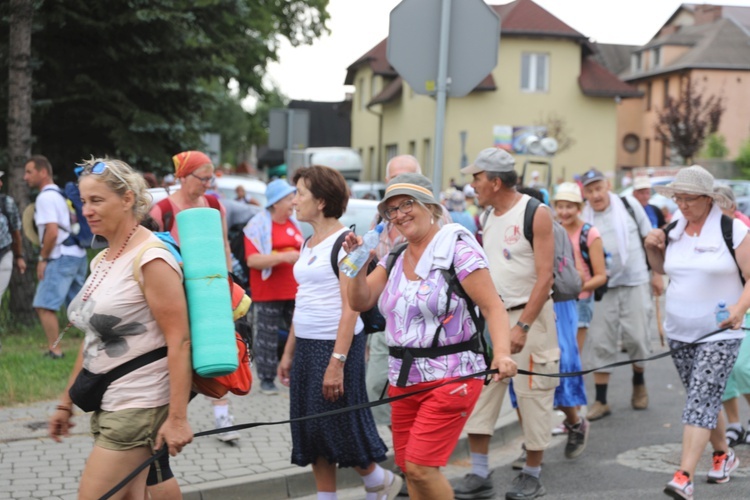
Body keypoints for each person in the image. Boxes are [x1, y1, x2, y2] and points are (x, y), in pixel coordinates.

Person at [344, 173, 516, 499]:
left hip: (454, 375)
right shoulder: (395, 255)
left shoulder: (458, 248)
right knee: (411, 469)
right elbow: (360, 301)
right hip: (403, 378)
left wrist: (503, 354)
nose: (400, 214)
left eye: (407, 204)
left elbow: (494, 307)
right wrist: (357, 266)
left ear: (430, 206)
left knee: (422, 467)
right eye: (391, 210)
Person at [47, 157, 193, 499]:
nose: (86, 210)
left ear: (127, 199)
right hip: (109, 401)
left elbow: (180, 340)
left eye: (97, 200)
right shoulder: (102, 259)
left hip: (138, 404)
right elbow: (93, 339)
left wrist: (177, 418)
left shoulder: (151, 258)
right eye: (83, 201)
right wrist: (65, 403)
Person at [277, 165, 400, 500]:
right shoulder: (307, 243)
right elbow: (302, 301)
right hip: (306, 345)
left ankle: (378, 478)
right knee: (311, 429)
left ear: (320, 200)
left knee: (339, 425)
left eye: (300, 193)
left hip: (335, 346)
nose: (294, 200)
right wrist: (288, 353)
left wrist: (338, 361)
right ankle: (332, 494)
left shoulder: (349, 243)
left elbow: (351, 306)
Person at [455, 148, 559, 500]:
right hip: (493, 318)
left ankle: (532, 474)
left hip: (531, 319)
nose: (472, 185)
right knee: (483, 392)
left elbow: (546, 278)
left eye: (477, 177)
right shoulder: (487, 215)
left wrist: (523, 326)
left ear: (496, 182)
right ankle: (480, 472)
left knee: (534, 395)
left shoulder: (536, 213)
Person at [644, 165, 749, 498]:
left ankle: (684, 475)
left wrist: (739, 309)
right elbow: (662, 268)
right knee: (702, 399)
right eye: (678, 198)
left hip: (719, 332)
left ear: (708, 199)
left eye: (689, 199)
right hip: (679, 331)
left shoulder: (732, 230)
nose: (683, 204)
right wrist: (651, 247)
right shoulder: (673, 229)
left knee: (700, 400)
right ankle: (723, 455)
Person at [149, 150, 239, 442]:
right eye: (202, 178)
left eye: (210, 179)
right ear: (183, 177)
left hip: (211, 295)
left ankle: (222, 419)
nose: (207, 184)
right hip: (174, 295)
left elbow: (224, 245)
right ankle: (167, 415)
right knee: (180, 351)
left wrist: (229, 285)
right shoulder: (161, 209)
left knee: (216, 351)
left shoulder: (214, 205)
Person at [580, 167, 660, 421]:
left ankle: (639, 381)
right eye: (590, 191)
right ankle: (601, 400)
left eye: (599, 188)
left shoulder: (629, 205)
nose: (595, 195)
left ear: (607, 187)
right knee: (601, 341)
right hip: (602, 287)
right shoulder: (584, 216)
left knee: (637, 337)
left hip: (635, 280)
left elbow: (649, 238)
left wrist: (657, 273)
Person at [551, 182, 608, 455]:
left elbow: (601, 275)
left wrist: (577, 287)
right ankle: (571, 416)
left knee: (570, 360)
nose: (564, 211)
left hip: (580, 303)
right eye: (560, 206)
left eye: (569, 206)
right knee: (560, 360)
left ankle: (574, 415)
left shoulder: (589, 233)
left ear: (579, 207)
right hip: (557, 303)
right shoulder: (551, 229)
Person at [23, 155, 88, 359]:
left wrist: (43, 259)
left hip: (60, 257)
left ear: (43, 172)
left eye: (29, 172)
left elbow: (51, 232)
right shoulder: (59, 194)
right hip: (77, 254)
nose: (25, 177)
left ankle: (55, 350)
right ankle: (105, 343)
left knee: (44, 305)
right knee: (81, 309)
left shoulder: (45, 198)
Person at [244, 178, 302, 395]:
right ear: (276, 202)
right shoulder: (256, 226)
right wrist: (283, 257)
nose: (294, 202)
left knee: (301, 332)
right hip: (268, 291)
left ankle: (297, 374)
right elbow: (252, 260)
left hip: (294, 290)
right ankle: (267, 379)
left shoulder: (293, 224)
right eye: (289, 198)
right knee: (266, 336)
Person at [712, 184, 750, 449]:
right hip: (716, 310)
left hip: (745, 307)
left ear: (731, 208)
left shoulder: (743, 233)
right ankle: (734, 424)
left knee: (742, 367)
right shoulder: (698, 234)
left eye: (717, 207)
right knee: (720, 371)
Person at [0, 170, 27, 305]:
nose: (0, 183)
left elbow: (16, 232)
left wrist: (19, 256)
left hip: (4, 253)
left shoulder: (6, 203)